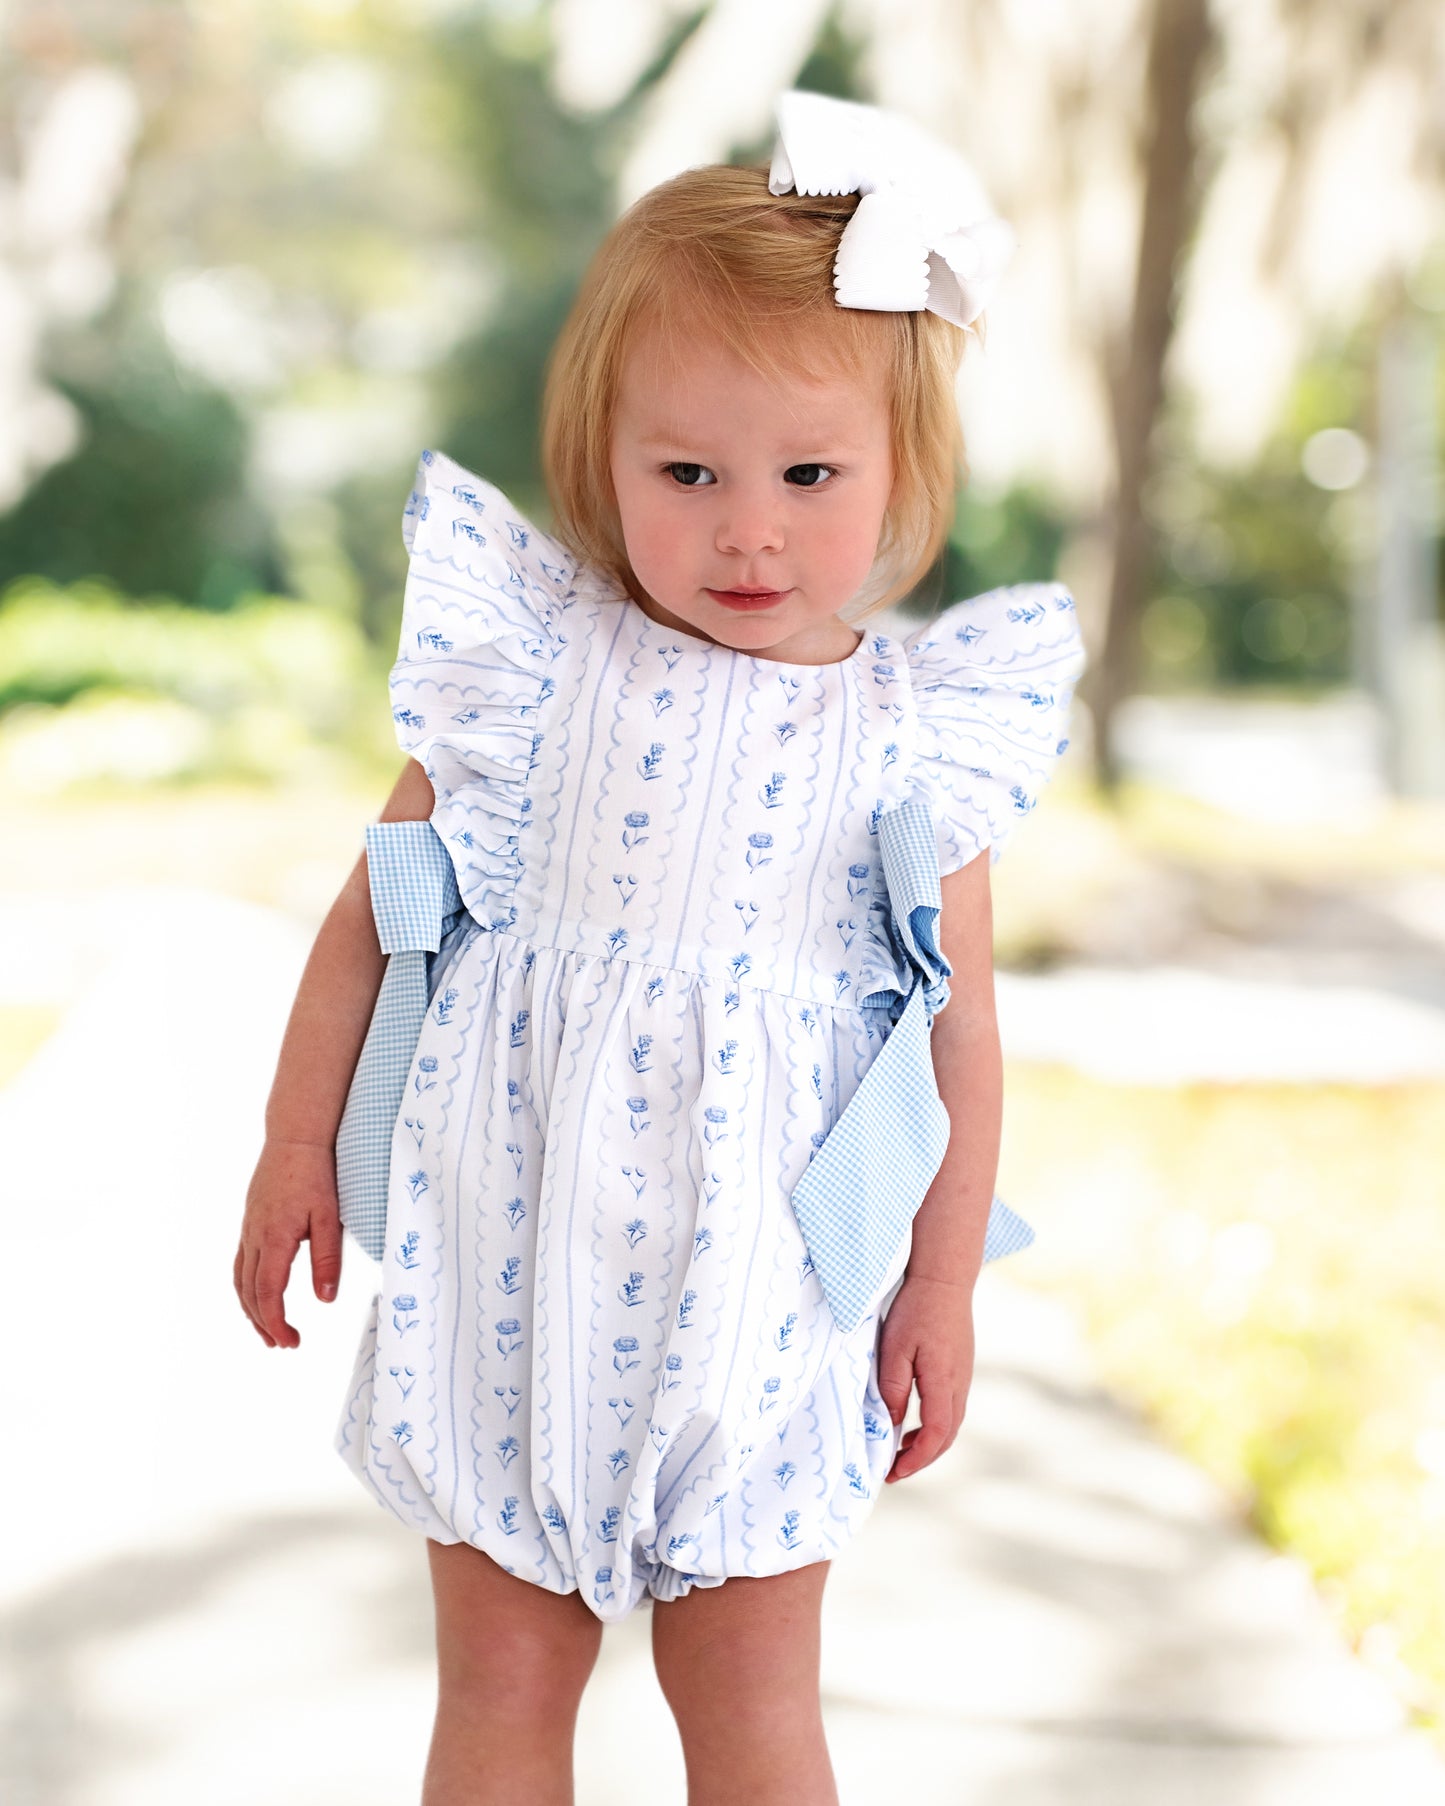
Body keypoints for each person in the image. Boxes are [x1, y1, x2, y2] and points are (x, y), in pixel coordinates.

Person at [235, 88, 1085, 1806]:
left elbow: (957, 1031)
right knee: (499, 1682)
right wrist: (292, 1142)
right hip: (507, 1256)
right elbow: (372, 913)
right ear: (601, 455)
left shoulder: (919, 737)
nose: (745, 526)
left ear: (902, 470)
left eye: (806, 474)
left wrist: (932, 1285)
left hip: (767, 1290)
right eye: (683, 471)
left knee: (754, 1699)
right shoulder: (534, 669)